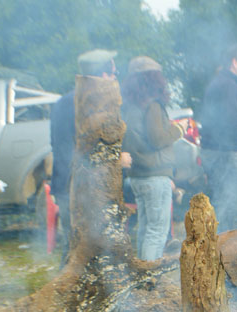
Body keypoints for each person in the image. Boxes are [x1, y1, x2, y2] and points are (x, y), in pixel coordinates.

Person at [50, 49, 131, 263]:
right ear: (102, 76)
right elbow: (85, 147)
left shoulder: (63, 102)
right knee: (88, 247)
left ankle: (69, 290)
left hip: (65, 183)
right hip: (83, 186)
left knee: (73, 244)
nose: (115, 78)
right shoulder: (91, 106)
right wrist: (116, 159)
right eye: (114, 73)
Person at [121, 56, 181, 260]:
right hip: (155, 176)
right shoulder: (153, 105)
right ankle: (150, 282)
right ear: (154, 78)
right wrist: (177, 130)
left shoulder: (130, 105)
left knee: (145, 229)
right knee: (157, 231)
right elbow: (157, 138)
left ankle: (143, 277)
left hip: (138, 175)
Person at [199, 45, 237, 232]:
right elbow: (234, 122)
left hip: (216, 152)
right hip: (227, 153)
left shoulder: (220, 83)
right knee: (234, 208)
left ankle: (220, 252)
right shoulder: (229, 87)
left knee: (223, 204)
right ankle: (229, 255)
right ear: (235, 62)